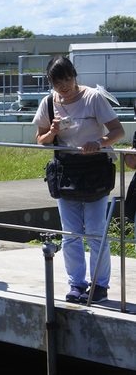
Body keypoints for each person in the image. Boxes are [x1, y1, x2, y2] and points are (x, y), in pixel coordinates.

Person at [33, 55, 124, 303]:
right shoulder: (48, 103)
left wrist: (99, 142)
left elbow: (118, 130)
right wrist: (53, 131)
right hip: (66, 172)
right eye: (58, 81)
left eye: (68, 78)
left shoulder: (93, 97)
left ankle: (100, 285)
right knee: (70, 233)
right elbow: (40, 140)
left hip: (95, 170)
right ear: (49, 81)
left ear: (75, 76)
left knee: (95, 232)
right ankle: (77, 284)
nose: (65, 85)